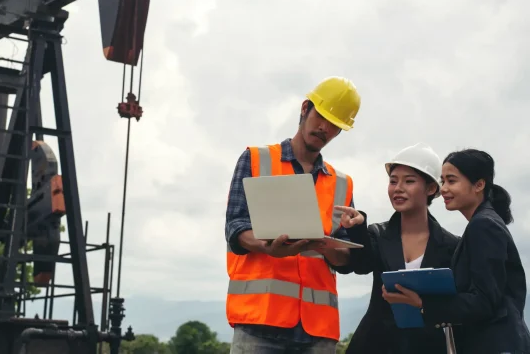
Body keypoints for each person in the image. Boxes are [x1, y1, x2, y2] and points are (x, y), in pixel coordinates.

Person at [224, 76, 361, 354]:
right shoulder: (256, 159)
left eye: (334, 125)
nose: (324, 128)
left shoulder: (342, 183)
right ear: (304, 108)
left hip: (318, 331)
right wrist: (267, 247)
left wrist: (328, 245)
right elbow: (236, 226)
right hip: (259, 323)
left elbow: (347, 261)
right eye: (321, 117)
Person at [382, 149, 530, 354]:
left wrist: (422, 302)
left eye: (452, 181)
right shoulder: (481, 224)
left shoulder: (483, 226)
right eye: (442, 181)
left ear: (479, 185)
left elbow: (485, 301)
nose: (443, 189)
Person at [331, 143, 460, 354]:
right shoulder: (377, 234)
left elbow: (457, 304)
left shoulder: (452, 246)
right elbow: (360, 264)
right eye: (393, 181)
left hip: (426, 347)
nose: (398, 188)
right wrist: (357, 229)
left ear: (431, 188)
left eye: (409, 181)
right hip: (374, 344)